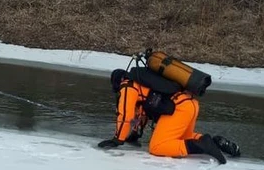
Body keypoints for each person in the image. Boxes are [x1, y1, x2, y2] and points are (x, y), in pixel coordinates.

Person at [98, 68, 241, 163]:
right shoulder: (141, 83)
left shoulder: (127, 86)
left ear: (117, 82)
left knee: (157, 146)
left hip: (179, 108)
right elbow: (140, 113)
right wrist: (135, 134)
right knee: (182, 138)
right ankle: (215, 142)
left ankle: (202, 145)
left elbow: (125, 114)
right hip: (190, 104)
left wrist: (117, 139)